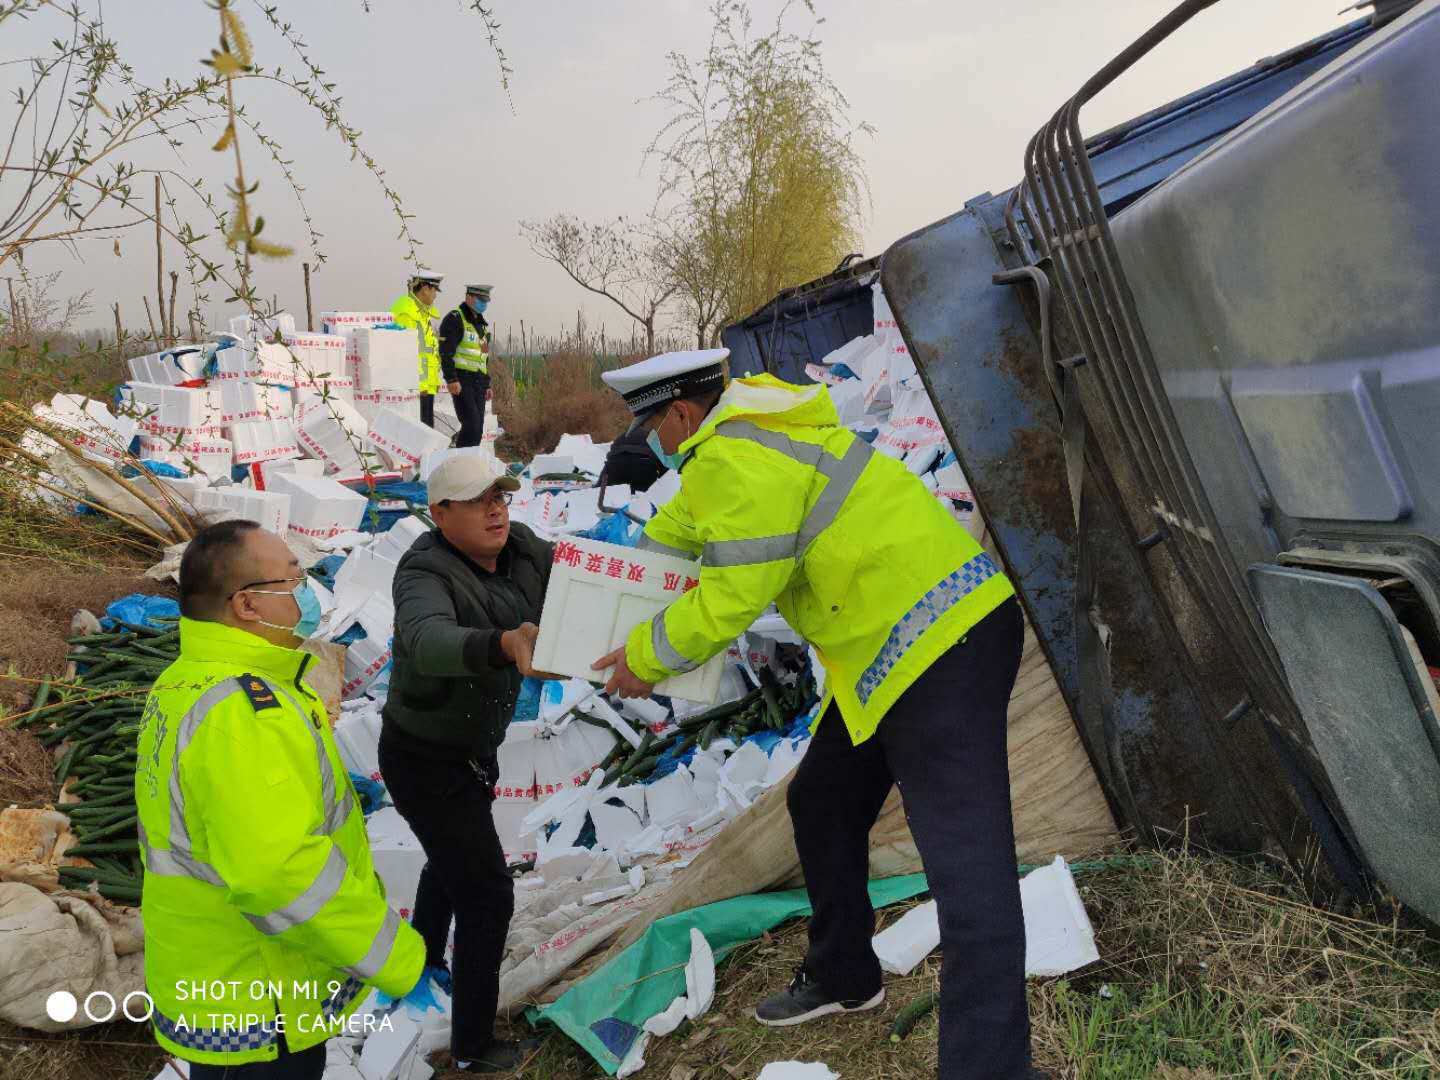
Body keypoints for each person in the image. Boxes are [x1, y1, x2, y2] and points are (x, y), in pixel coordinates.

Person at [592, 351, 1032, 1080]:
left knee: (968, 871)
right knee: (823, 798)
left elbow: (730, 598)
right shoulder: (742, 439)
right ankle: (845, 975)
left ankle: (990, 1069)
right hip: (888, 654)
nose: (650, 443)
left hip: (940, 645)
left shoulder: (737, 453)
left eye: (649, 426)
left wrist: (644, 654)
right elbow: (672, 536)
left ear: (679, 414)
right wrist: (590, 593)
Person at [136, 520, 432, 1079]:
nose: (307, 592)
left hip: (219, 969)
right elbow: (281, 872)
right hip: (257, 989)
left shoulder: (188, 680)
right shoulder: (239, 712)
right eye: (294, 580)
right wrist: (396, 957)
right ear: (247, 605)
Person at [379, 453, 557, 1073]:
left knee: (450, 859)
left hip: (475, 749)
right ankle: (473, 1046)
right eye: (478, 499)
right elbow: (428, 642)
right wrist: (504, 643)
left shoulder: (524, 549)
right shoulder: (423, 571)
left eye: (502, 495)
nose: (496, 508)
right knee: (486, 894)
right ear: (439, 514)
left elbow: (580, 577)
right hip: (422, 758)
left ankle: (425, 961)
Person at [438, 284, 493, 448]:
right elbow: (446, 351)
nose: (484, 304)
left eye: (486, 301)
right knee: (471, 424)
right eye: (480, 300)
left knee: (478, 428)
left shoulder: (481, 325)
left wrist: (487, 383)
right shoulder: (455, 318)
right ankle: (458, 455)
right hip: (462, 379)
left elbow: (482, 358)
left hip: (479, 381)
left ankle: (468, 459)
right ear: (469, 297)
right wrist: (451, 378)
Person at [391, 272, 444, 427]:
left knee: (428, 433)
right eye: (435, 290)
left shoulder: (422, 313)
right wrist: (414, 385)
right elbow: (404, 351)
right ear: (426, 289)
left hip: (425, 387)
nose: (435, 295)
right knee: (420, 436)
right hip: (415, 388)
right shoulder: (407, 312)